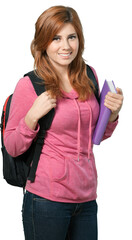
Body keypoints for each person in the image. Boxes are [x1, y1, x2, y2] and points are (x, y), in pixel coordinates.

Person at [4, 5, 123, 240]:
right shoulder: (30, 85)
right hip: (46, 201)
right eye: (56, 38)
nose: (66, 46)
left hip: (87, 197)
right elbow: (12, 146)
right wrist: (31, 117)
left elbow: (95, 137)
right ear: (43, 43)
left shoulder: (89, 76)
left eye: (72, 37)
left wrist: (113, 114)